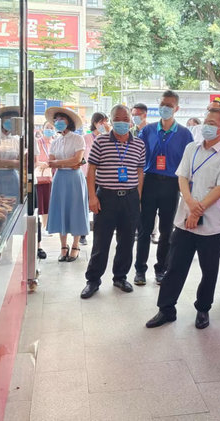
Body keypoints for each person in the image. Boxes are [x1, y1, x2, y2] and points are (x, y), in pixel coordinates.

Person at [145, 107, 220, 329]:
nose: (207, 125)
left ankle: (203, 309)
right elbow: (182, 177)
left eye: (212, 122)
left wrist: (199, 209)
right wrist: (190, 204)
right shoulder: (191, 148)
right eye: (206, 121)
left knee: (209, 270)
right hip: (184, 220)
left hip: (212, 225)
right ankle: (166, 309)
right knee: (175, 266)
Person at [81, 105, 146, 299]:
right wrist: (92, 197)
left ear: (129, 120)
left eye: (125, 118)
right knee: (101, 241)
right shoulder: (101, 142)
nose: (122, 122)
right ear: (111, 120)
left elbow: (140, 171)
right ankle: (93, 280)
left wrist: (138, 197)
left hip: (130, 197)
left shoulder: (139, 144)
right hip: (106, 197)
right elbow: (91, 170)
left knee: (126, 241)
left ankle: (120, 277)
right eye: (117, 118)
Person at [135, 90, 193, 285]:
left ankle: (161, 269)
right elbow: (139, 161)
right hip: (150, 181)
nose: (164, 109)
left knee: (166, 230)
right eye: (162, 105)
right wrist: (139, 190)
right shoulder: (148, 130)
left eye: (169, 106)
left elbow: (187, 166)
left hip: (171, 185)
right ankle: (140, 270)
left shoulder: (185, 134)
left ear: (176, 108)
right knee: (144, 229)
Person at [45, 107, 90, 262]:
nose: (58, 122)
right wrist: (65, 163)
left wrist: (59, 162)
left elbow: (77, 160)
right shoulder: (55, 142)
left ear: (68, 122)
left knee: (76, 209)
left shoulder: (78, 139)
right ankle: (63, 246)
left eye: (61, 119)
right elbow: (50, 163)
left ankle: (76, 245)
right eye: (56, 120)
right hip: (59, 179)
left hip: (75, 179)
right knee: (60, 209)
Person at [81, 112, 109, 245]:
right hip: (88, 176)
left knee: (100, 207)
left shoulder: (108, 138)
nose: (103, 125)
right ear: (94, 123)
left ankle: (100, 233)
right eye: (101, 122)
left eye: (105, 122)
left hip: (103, 178)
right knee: (86, 204)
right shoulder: (86, 138)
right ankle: (82, 234)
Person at [34, 121, 55, 232]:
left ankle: (46, 225)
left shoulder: (55, 142)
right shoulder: (38, 142)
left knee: (48, 200)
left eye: (51, 128)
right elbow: (35, 161)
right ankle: (42, 225)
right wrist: (43, 164)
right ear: (42, 129)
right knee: (41, 200)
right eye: (47, 127)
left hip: (51, 175)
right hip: (40, 175)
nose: (49, 130)